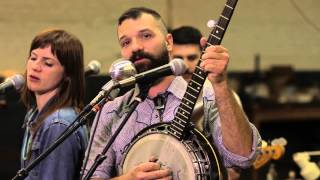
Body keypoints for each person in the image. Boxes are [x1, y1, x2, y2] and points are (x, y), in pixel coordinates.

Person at [84, 7, 261, 180]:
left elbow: (243, 157)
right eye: (125, 42)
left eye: (146, 36)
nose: (136, 47)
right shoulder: (110, 111)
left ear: (169, 42)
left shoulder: (208, 96)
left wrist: (221, 85)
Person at [171, 25, 244, 179]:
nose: (185, 65)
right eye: (178, 59)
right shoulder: (160, 96)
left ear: (202, 56)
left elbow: (236, 161)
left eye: (191, 58)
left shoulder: (223, 97)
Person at [20, 29, 88, 180]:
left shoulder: (58, 124)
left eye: (48, 63)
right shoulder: (35, 114)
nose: (36, 67)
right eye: (33, 58)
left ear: (67, 75)